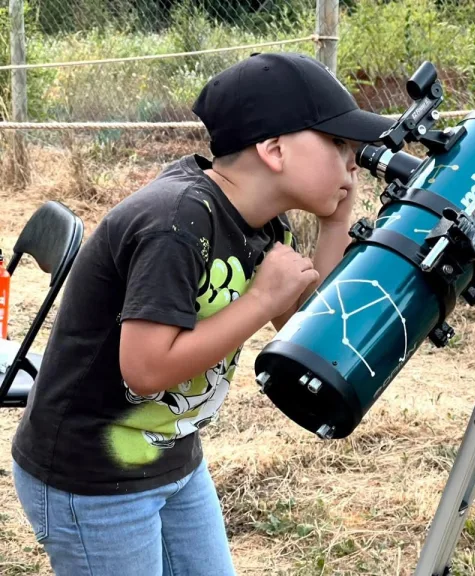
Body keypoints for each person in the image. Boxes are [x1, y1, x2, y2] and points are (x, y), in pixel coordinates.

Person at [10, 52, 394, 575]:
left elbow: (304, 326)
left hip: (172, 457)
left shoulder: (264, 224)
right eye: (339, 144)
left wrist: (333, 227)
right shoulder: (176, 223)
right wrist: (260, 300)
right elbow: (145, 371)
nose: (354, 163)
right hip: (91, 476)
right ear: (274, 149)